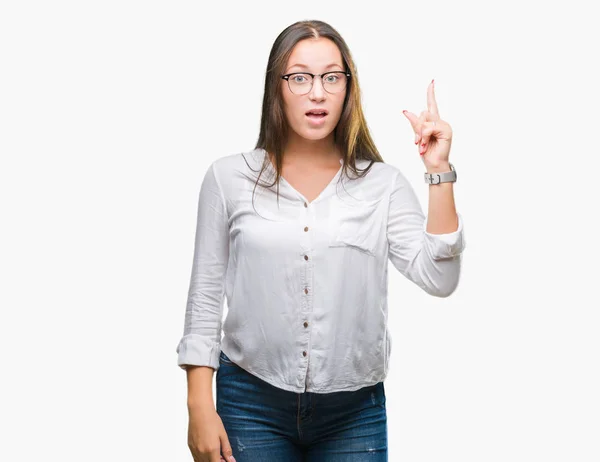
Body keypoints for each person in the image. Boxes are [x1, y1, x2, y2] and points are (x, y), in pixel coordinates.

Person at [176, 19, 466, 462]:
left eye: (332, 77)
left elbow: (439, 278)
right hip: (249, 400)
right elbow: (205, 296)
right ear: (277, 87)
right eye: (301, 77)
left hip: (354, 411)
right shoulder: (228, 178)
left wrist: (438, 171)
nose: (318, 92)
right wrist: (199, 404)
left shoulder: (382, 185)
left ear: (348, 88)